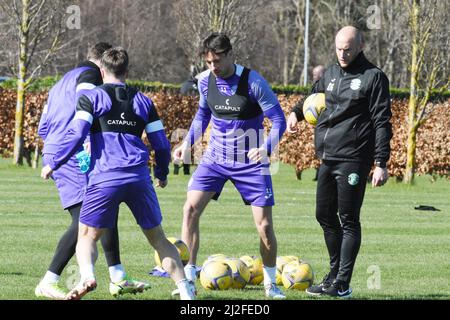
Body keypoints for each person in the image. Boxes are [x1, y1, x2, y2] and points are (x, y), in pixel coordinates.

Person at [41, 47, 196, 300]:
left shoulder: (92, 98)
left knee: (87, 236)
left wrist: (54, 162)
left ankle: (88, 277)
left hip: (104, 178)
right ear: (127, 71)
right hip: (138, 178)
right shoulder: (144, 101)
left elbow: (77, 133)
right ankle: (186, 292)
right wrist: (162, 172)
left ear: (101, 71)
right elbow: (161, 144)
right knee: (158, 239)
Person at [173, 33, 287, 299]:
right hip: (215, 158)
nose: (214, 67)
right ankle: (188, 277)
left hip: (250, 162)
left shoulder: (253, 82)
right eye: (209, 62)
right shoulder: (204, 82)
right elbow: (202, 114)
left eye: (218, 60)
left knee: (265, 227)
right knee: (189, 209)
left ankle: (271, 284)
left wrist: (266, 148)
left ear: (230, 54)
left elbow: (278, 120)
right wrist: (188, 143)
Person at [36, 43, 149, 299]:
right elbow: (84, 110)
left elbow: (43, 128)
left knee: (105, 204)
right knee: (84, 221)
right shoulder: (89, 77)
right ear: (101, 65)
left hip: (60, 148)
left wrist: (53, 153)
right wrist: (78, 150)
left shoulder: (61, 81)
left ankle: (118, 276)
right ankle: (49, 280)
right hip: (73, 151)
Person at [287, 26, 392, 298]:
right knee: (323, 215)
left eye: (347, 49)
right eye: (338, 48)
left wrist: (381, 162)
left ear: (360, 46)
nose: (342, 54)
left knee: (348, 219)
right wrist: (295, 114)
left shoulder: (374, 77)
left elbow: (382, 121)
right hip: (328, 157)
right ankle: (333, 275)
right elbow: (310, 97)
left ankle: (343, 282)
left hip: (354, 158)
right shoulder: (331, 74)